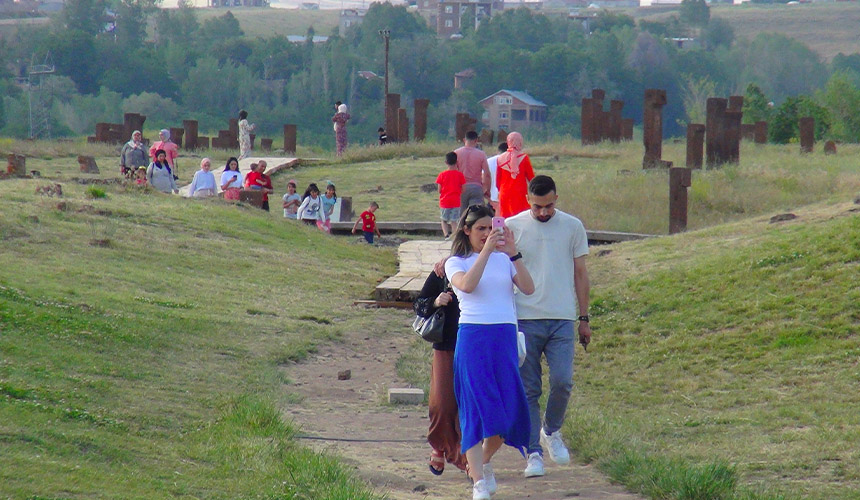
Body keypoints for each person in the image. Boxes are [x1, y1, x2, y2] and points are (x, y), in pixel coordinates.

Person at [443, 204, 535, 500]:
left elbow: (529, 288)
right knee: (475, 411)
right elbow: (467, 286)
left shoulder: (504, 260)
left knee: (507, 413)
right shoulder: (455, 262)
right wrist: (486, 252)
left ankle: (481, 461)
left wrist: (512, 252)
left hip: (504, 338)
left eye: (490, 227)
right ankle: (479, 482)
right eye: (480, 229)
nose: (487, 234)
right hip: (474, 339)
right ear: (466, 230)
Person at [505, 175, 591, 479]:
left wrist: (584, 317)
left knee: (562, 380)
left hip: (562, 318)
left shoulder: (572, 226)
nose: (544, 212)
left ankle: (551, 430)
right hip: (525, 317)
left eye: (550, 205)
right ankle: (533, 454)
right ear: (528, 198)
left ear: (557, 198)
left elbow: (581, 273)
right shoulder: (513, 226)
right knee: (529, 390)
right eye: (539, 206)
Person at [414, 261, 467, 476]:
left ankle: (466, 457)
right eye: (479, 229)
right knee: (441, 403)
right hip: (446, 345)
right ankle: (439, 444)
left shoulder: (487, 265)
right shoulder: (445, 270)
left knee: (469, 405)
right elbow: (419, 304)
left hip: (477, 346)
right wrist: (436, 301)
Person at [495, 132, 536, 218]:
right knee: (521, 218)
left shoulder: (500, 158)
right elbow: (531, 178)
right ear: (520, 142)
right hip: (520, 193)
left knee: (505, 219)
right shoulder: (524, 157)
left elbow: (498, 181)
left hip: (504, 193)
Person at [454, 130, 491, 217]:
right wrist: (487, 189)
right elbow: (487, 174)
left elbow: (453, 171)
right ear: (476, 140)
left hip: (460, 187)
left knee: (461, 216)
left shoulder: (456, 153)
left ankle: (461, 230)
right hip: (476, 187)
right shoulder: (481, 154)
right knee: (476, 215)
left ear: (464, 140)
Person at [435, 151, 466, 240]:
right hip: (456, 201)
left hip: (445, 201)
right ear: (457, 162)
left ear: (446, 162)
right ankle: (454, 235)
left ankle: (446, 235)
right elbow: (464, 189)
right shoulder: (460, 175)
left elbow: (439, 190)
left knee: (444, 219)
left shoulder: (442, 175)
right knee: (454, 220)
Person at [486, 142, 508, 214]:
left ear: (498, 151)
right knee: (507, 223)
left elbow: (483, 180)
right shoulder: (514, 161)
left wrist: (488, 198)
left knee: (496, 222)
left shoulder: (489, 161)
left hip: (493, 198)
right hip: (508, 199)